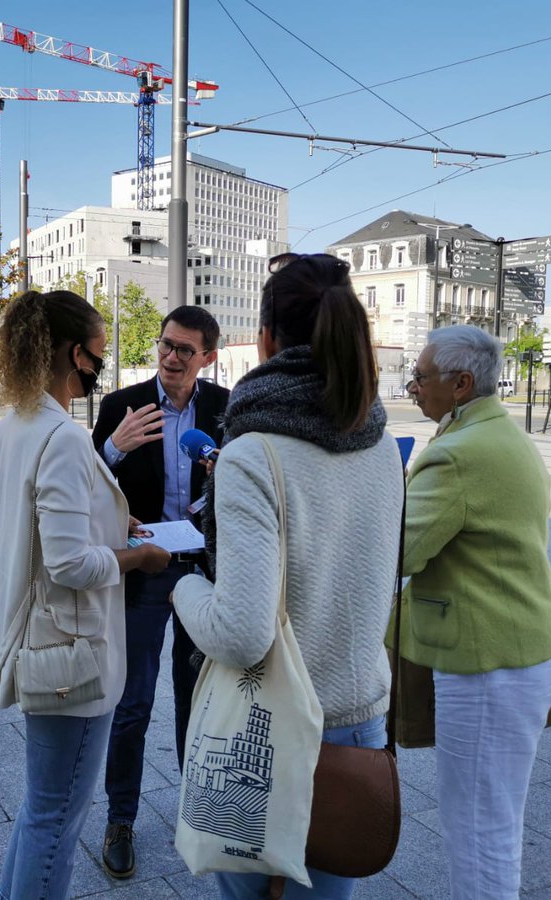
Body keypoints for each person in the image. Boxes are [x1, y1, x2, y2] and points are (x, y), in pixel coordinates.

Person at [172, 252, 403, 900]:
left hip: (264, 732)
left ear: (267, 340)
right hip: (358, 723)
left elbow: (241, 634)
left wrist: (182, 584)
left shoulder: (251, 454)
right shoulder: (380, 440)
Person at [0, 290, 170, 900]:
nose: (102, 361)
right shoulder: (59, 434)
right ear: (71, 353)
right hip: (70, 656)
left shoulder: (18, 421)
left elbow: (42, 532)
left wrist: (116, 525)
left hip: (38, 639)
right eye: (99, 350)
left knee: (39, 812)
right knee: (55, 820)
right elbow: (65, 562)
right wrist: (139, 556)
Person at [399, 325, 551, 899]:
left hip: (488, 661)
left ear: (461, 383)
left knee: (477, 829)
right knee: (494, 820)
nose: (413, 387)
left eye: (420, 377)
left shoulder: (459, 455)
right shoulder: (498, 432)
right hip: (519, 645)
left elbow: (397, 549)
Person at [90, 305, 229, 879]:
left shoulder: (226, 409)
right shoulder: (122, 404)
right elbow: (88, 482)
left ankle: (196, 814)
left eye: (185, 350)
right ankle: (120, 818)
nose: (171, 358)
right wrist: (114, 450)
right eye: (166, 345)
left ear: (208, 358)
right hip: (146, 569)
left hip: (203, 569)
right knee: (133, 704)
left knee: (199, 703)